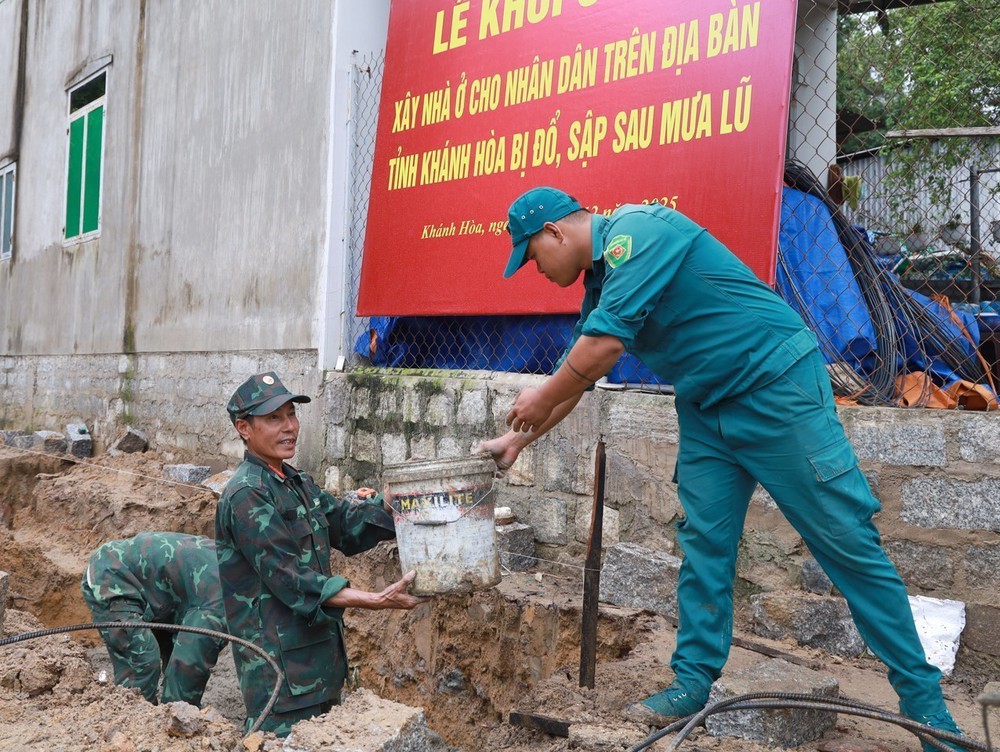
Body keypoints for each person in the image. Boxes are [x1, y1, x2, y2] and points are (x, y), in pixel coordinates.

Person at [479, 186, 965, 750]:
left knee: (846, 542)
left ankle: (929, 713)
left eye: (532, 255)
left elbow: (601, 352)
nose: (535, 269)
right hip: (708, 404)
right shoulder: (601, 284)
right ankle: (691, 684)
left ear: (556, 232)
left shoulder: (641, 232)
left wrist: (538, 398)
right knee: (705, 544)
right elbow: (580, 377)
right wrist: (517, 440)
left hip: (774, 386)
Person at [216, 372, 426, 737]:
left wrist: (391, 500)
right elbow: (291, 578)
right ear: (244, 428)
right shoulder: (246, 495)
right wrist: (372, 599)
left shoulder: (294, 481)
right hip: (280, 678)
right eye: (274, 419)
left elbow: (344, 524)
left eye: (291, 415)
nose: (289, 428)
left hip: (319, 663)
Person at [81, 532, 227, 707]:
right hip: (113, 574)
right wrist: (179, 714)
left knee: (172, 650)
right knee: (143, 661)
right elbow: (190, 662)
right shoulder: (225, 595)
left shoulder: (235, 565)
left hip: (160, 596)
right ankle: (134, 724)